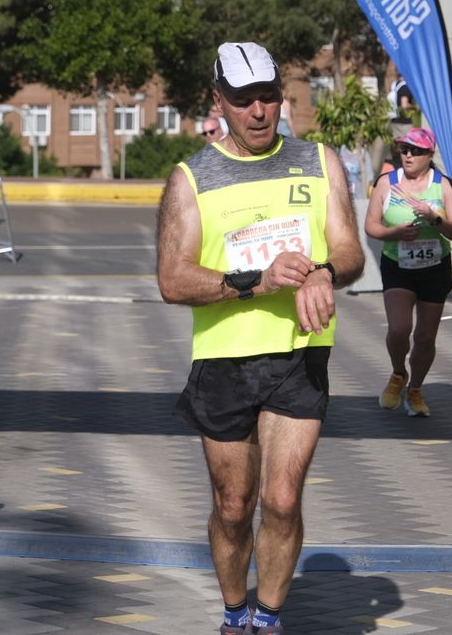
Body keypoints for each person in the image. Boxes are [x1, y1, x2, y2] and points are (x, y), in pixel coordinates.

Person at [156, 41, 365, 635]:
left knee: (281, 500)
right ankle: (233, 612)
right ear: (218, 101)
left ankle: (268, 621)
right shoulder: (191, 178)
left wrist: (324, 273)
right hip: (223, 359)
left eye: (268, 97)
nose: (257, 111)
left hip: (299, 353)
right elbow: (173, 279)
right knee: (232, 506)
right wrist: (254, 281)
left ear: (281, 97)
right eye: (243, 100)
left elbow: (349, 250)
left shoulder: (317, 161)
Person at [367, 127, 452, 418]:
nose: (408, 155)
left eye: (415, 150)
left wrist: (435, 218)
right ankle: (398, 373)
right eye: (403, 149)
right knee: (399, 330)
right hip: (398, 265)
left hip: (435, 267)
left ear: (429, 154)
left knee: (425, 337)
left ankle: (416, 388)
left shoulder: (444, 185)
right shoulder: (387, 183)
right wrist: (395, 233)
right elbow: (371, 225)